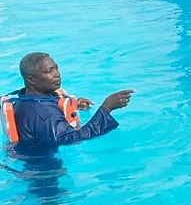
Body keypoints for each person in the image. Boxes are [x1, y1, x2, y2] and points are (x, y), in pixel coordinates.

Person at [1, 52, 134, 147]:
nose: (57, 74)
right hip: (43, 168)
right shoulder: (45, 115)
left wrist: (73, 106)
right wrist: (107, 108)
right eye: (49, 71)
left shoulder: (22, 97)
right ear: (31, 79)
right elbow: (71, 139)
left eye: (56, 68)